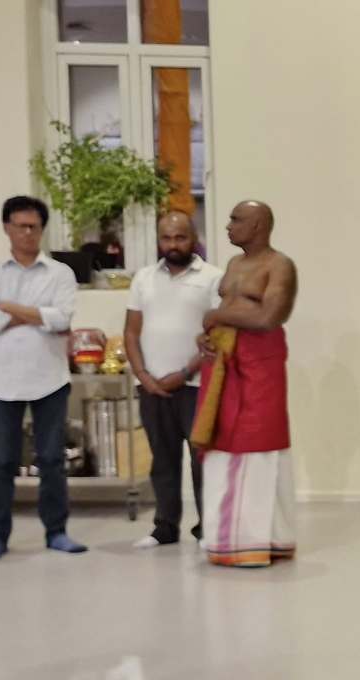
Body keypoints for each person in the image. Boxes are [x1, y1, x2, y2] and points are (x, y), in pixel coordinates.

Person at [0, 196, 86, 561]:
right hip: (0, 380)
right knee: (1, 461)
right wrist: (39, 315)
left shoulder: (60, 273)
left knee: (52, 459)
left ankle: (56, 531)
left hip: (48, 378)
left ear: (42, 229)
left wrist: (8, 307)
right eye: (20, 226)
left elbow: (62, 319)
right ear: (6, 228)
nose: (27, 233)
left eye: (33, 227)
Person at [191, 201, 297, 568]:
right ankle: (223, 538)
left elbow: (270, 316)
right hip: (223, 360)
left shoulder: (279, 265)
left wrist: (214, 315)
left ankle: (259, 541)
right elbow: (233, 315)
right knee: (221, 440)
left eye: (236, 220)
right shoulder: (234, 264)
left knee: (258, 441)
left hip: (259, 364)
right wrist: (207, 334)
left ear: (258, 225)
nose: (228, 226)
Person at [124, 211, 223, 548]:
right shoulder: (143, 279)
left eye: (180, 237)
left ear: (193, 238)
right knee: (162, 460)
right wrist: (144, 375)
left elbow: (217, 337)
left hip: (197, 386)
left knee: (201, 460)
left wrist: (183, 374)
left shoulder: (213, 278)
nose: (173, 244)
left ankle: (207, 529)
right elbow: (131, 332)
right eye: (166, 238)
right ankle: (164, 528)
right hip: (151, 388)